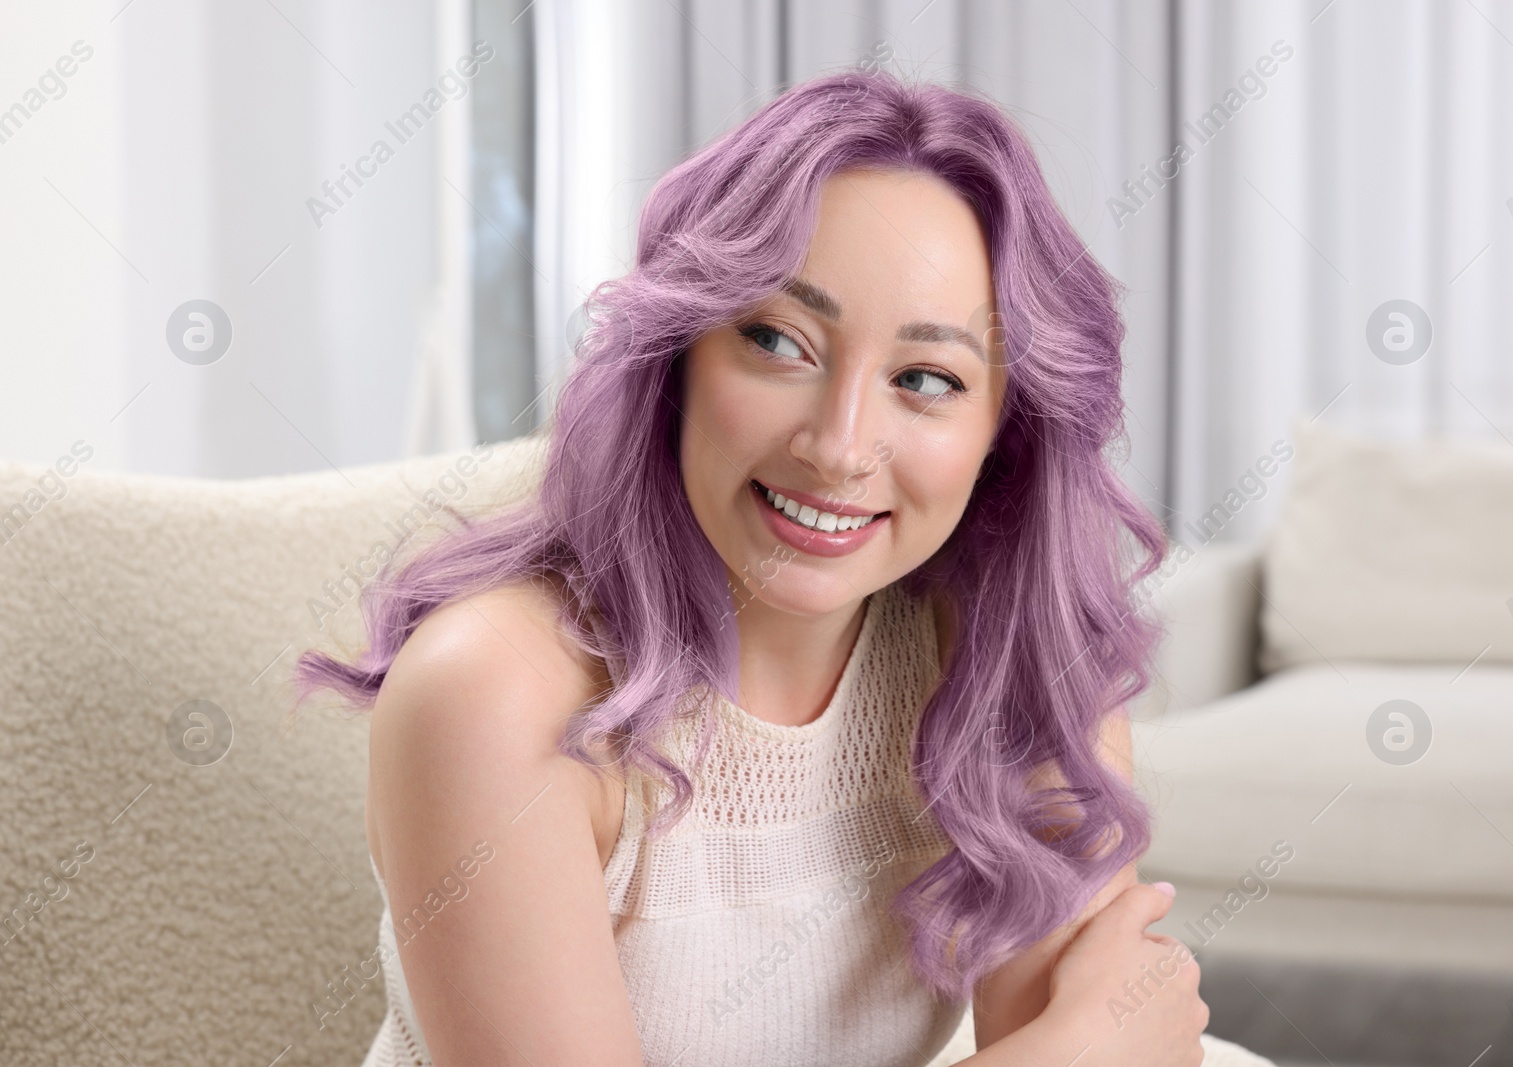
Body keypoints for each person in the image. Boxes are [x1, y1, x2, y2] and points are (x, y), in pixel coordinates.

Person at [295, 67, 1277, 1067]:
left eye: (926, 379)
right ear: (677, 355)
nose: (840, 445)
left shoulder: (1009, 663)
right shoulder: (495, 689)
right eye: (778, 340)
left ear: (1002, 436)